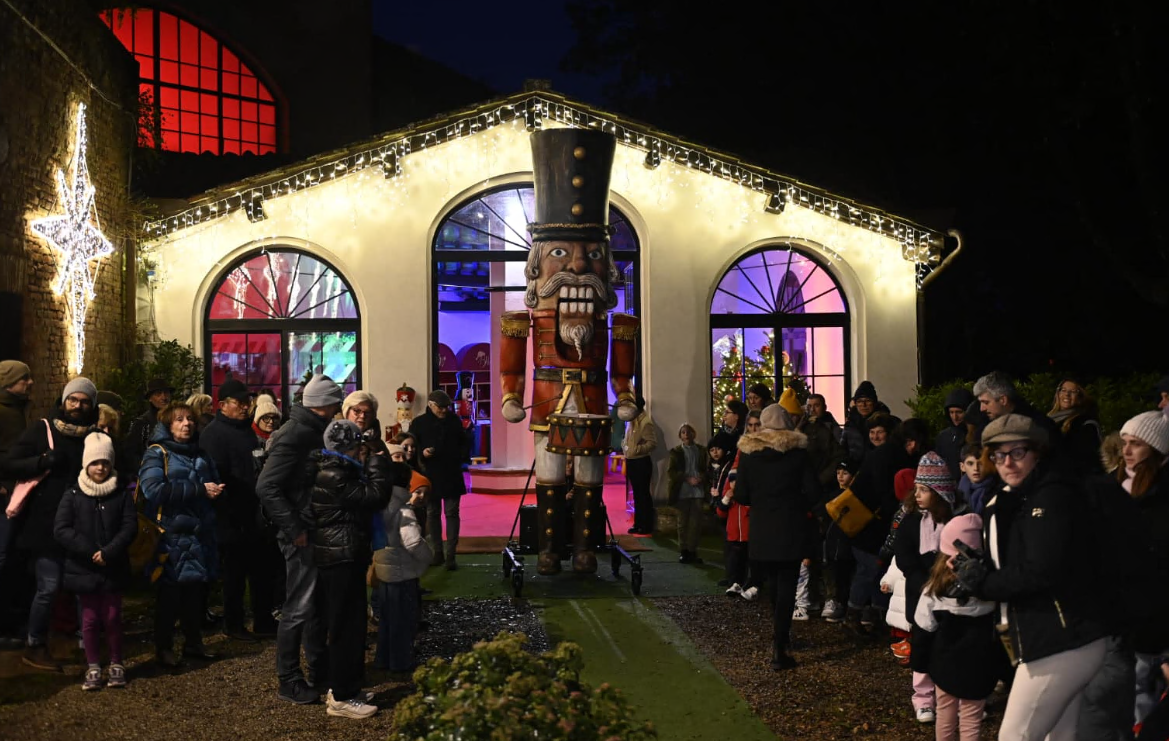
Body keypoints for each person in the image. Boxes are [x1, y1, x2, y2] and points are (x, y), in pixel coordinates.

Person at [952, 413, 1108, 741]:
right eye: (998, 454)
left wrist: (984, 584)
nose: (1008, 462)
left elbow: (1041, 570)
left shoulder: (1050, 497)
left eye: (1017, 452)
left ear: (1038, 452)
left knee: (1016, 736)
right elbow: (1025, 559)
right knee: (1060, 736)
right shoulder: (1020, 497)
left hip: (1063, 637)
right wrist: (981, 567)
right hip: (1063, 635)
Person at [256, 373, 344, 705]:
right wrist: (295, 529)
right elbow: (267, 487)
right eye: (335, 402)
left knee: (313, 602)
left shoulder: (310, 431)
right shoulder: (296, 435)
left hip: (309, 529)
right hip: (300, 534)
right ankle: (289, 678)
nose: (338, 408)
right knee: (298, 605)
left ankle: (319, 670)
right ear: (324, 404)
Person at [3, 376, 98, 671]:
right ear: (64, 401)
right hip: (45, 526)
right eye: (73, 399)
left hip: (82, 525)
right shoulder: (41, 430)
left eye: (84, 401)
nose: (77, 406)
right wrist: (42, 461)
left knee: (84, 588)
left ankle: (87, 645)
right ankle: (35, 645)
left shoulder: (95, 436)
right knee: (48, 587)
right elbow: (8, 464)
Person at [310, 419, 398, 719]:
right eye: (358, 445)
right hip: (340, 557)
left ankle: (347, 687)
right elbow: (376, 496)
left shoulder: (338, 470)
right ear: (347, 447)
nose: (362, 450)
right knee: (345, 626)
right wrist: (377, 462)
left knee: (352, 623)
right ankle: (341, 696)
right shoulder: (335, 474)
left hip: (343, 554)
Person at [732, 403, 818, 671]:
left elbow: (741, 494)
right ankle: (780, 643)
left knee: (772, 584)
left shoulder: (750, 455)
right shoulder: (798, 454)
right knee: (787, 585)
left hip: (762, 527)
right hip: (790, 525)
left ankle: (779, 637)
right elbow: (813, 491)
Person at [138, 400, 222, 667]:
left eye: (190, 419)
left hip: (199, 533)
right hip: (170, 535)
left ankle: (193, 644)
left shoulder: (200, 453)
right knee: (169, 596)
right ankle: (164, 648)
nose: (187, 424)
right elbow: (153, 489)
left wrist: (215, 490)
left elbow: (212, 480)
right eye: (179, 419)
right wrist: (199, 489)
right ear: (168, 425)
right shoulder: (157, 453)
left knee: (195, 594)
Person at [52, 433, 136, 691]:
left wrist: (109, 551)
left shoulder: (121, 493)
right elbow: (61, 529)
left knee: (112, 617)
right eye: (95, 462)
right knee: (88, 619)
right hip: (83, 568)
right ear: (86, 463)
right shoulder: (73, 494)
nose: (100, 467)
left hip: (113, 566)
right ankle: (93, 665)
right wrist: (90, 551)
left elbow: (129, 526)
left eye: (105, 462)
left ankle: (117, 662)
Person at [199, 378, 278, 641]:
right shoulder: (214, 434)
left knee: (261, 570)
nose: (246, 406)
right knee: (235, 572)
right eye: (240, 402)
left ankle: (263, 619)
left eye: (248, 401)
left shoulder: (246, 431)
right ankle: (233, 623)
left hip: (255, 512)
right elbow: (213, 474)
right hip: (231, 514)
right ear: (223, 404)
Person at [914, 514, 999, 741]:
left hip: (945, 665)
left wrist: (920, 663)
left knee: (945, 713)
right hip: (980, 665)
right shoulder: (992, 589)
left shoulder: (934, 590)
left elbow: (923, 628)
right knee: (972, 718)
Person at [895, 451, 960, 724]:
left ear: (939, 492)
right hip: (920, 593)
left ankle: (951, 696)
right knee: (921, 647)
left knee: (949, 647)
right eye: (917, 489)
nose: (918, 495)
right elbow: (903, 556)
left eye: (924, 489)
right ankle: (923, 699)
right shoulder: (911, 520)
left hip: (949, 596)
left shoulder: (955, 521)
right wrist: (923, 581)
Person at [372, 464, 432, 674]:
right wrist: (428, 557)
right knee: (403, 620)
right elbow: (413, 542)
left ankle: (383, 658)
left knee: (387, 620)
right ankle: (401, 661)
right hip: (402, 571)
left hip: (384, 569)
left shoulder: (380, 504)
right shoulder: (403, 509)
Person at [410, 389, 468, 570]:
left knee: (452, 513)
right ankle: (437, 552)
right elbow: (411, 447)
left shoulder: (454, 421)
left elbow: (465, 443)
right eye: (440, 407)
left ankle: (451, 555)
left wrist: (459, 458)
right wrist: (422, 453)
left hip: (451, 472)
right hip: (430, 474)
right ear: (430, 405)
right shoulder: (419, 423)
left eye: (446, 407)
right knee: (432, 513)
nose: (444, 410)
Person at [0, 360, 33, 649]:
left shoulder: (18, 409)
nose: (30, 383)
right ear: (9, 382)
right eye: (25, 379)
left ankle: (14, 620)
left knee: (14, 557)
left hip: (16, 493)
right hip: (4, 496)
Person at [666, 423, 709, 564]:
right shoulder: (676, 452)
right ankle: (683, 550)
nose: (686, 435)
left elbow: (706, 469)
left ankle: (692, 550)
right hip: (683, 490)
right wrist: (686, 478)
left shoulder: (701, 450)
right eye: (683, 432)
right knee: (682, 522)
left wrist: (701, 477)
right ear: (680, 435)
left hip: (698, 491)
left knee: (695, 523)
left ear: (693, 434)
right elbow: (671, 472)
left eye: (689, 432)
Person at [1046, 376, 1102, 475]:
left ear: (1080, 397)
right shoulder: (1049, 419)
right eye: (1063, 390)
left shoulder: (1085, 424)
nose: (1067, 394)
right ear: (1058, 394)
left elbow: (1086, 460)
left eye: (1073, 391)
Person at [623, 396, 658, 535]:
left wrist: (636, 450)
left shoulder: (645, 422)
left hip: (641, 462)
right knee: (637, 494)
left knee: (643, 494)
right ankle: (638, 524)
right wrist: (625, 447)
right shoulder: (631, 421)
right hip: (631, 460)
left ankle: (646, 525)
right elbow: (627, 439)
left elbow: (652, 443)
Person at [123, 378, 174, 474]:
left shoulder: (177, 420)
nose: (163, 397)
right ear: (150, 398)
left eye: (166, 393)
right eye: (158, 394)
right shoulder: (142, 423)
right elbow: (131, 453)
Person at [935, 387, 974, 477]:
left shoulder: (976, 435)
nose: (955, 417)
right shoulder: (943, 437)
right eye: (951, 412)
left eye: (959, 412)